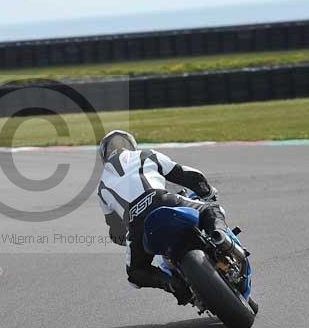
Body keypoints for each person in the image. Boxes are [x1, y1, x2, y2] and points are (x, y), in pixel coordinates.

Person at [95, 130, 228, 305]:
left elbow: (115, 230)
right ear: (132, 145)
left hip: (137, 223)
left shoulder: (102, 188)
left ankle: (172, 284)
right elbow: (187, 174)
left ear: (104, 157)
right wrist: (207, 192)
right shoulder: (146, 154)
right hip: (163, 200)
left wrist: (124, 238)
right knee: (210, 210)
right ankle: (219, 237)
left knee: (135, 273)